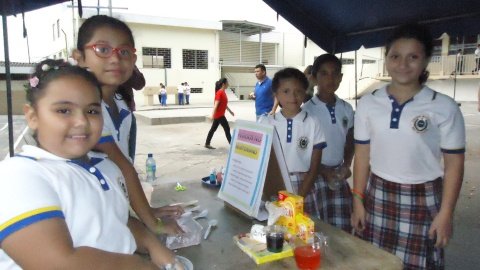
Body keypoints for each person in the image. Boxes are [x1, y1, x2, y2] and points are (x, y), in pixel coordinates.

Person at [0, 59, 180, 269]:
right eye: (64, 110)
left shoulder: (107, 167)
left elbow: (114, 220)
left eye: (92, 111)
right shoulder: (19, 176)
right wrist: (138, 265)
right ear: (32, 116)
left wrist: (151, 245)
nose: (82, 122)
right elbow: (56, 263)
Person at [351, 23, 465, 269]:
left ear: (425, 61)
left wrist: (446, 213)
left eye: (413, 57)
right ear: (386, 59)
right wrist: (357, 201)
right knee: (374, 262)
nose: (403, 64)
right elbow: (361, 157)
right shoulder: (368, 104)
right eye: (395, 56)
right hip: (377, 195)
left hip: (424, 199)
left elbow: (455, 164)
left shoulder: (444, 106)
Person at [73, 15, 183, 235]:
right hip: (85, 225)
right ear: (80, 57)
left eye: (124, 52)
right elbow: (124, 167)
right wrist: (152, 223)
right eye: (102, 49)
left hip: (112, 214)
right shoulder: (85, 109)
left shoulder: (120, 104)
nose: (115, 59)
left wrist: (147, 211)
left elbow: (123, 170)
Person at [259, 67, 326, 217]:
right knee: (277, 230)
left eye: (299, 91)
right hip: (274, 185)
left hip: (305, 187)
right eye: (286, 91)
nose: (293, 96)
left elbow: (315, 167)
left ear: (305, 92)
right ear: (276, 94)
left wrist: (298, 198)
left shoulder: (313, 122)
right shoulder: (266, 122)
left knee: (302, 233)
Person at [302, 54, 354, 232]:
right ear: (314, 78)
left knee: (341, 228)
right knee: (317, 228)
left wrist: (346, 165)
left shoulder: (347, 109)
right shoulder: (307, 111)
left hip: (338, 177)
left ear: (340, 78)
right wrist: (323, 171)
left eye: (335, 74)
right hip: (314, 177)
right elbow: (303, 149)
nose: (330, 79)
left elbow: (350, 140)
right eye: (324, 73)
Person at [116, 65, 145, 162]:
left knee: (128, 155)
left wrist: (130, 64)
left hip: (126, 110)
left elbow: (139, 84)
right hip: (102, 109)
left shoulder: (126, 62)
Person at [204, 78, 234, 149]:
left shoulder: (223, 92)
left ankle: (207, 143)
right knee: (227, 128)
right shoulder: (219, 93)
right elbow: (216, 105)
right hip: (219, 115)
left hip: (219, 115)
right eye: (227, 82)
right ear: (223, 84)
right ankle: (232, 145)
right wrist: (212, 115)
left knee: (213, 129)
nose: (228, 84)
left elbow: (224, 104)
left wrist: (230, 111)